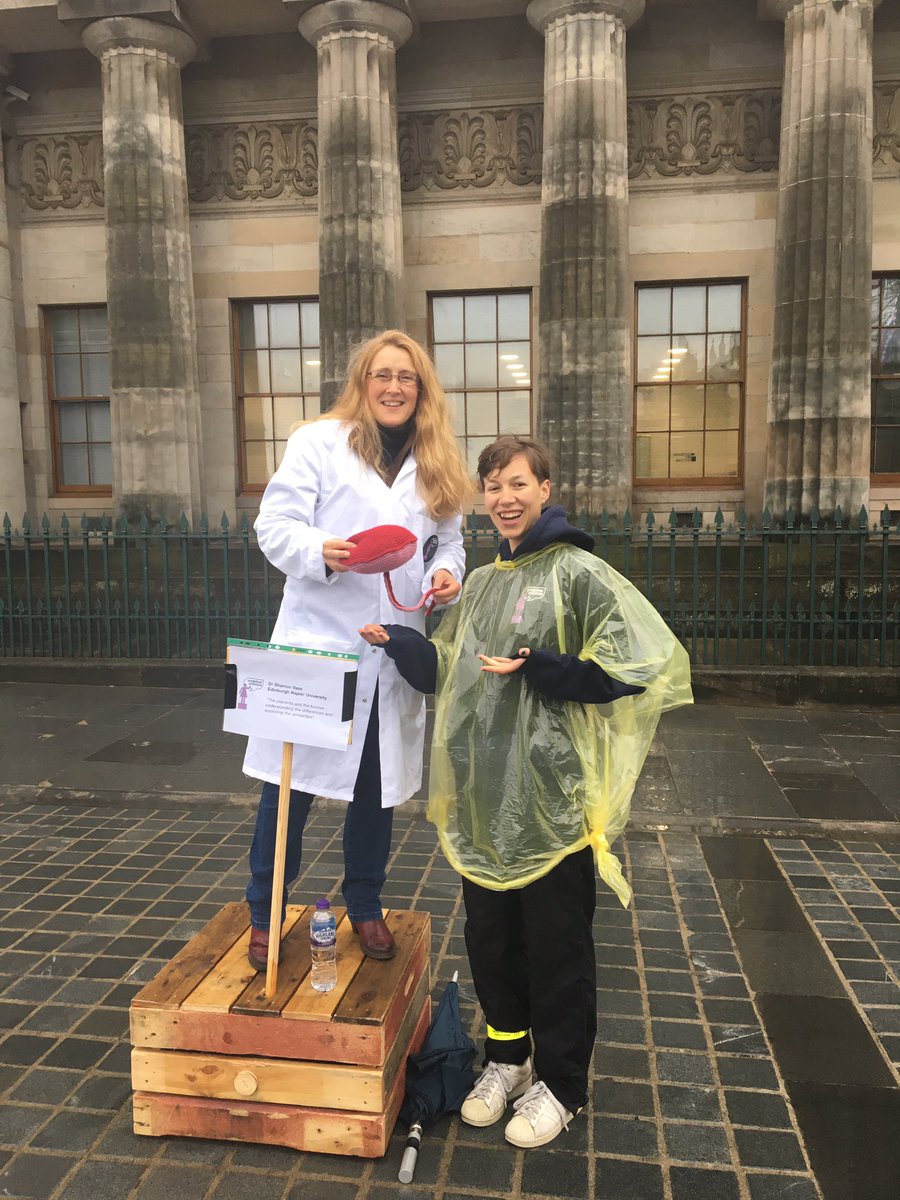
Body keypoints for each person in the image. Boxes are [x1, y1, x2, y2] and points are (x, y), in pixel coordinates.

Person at [360, 435, 691, 1147]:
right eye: (493, 487)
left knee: (558, 949)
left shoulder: (578, 574)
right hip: (486, 804)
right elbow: (448, 670)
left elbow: (639, 665)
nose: (505, 498)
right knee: (493, 943)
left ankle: (562, 1082)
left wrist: (543, 666)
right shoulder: (480, 585)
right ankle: (507, 1057)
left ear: (545, 488)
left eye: (518, 484)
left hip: (554, 806)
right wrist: (398, 642)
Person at [242, 330, 470, 966]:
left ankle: (365, 904)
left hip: (391, 648)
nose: (394, 387)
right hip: (319, 646)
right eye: (383, 375)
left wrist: (445, 576)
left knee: (374, 786)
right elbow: (274, 526)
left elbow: (446, 541)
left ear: (421, 390)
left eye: (407, 378)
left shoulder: (437, 458)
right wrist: (321, 551)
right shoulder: (318, 442)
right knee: (287, 788)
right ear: (363, 383)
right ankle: (264, 911)